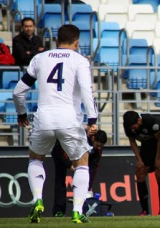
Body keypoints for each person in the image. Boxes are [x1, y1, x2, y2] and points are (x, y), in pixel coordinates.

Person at [12, 24, 98, 224]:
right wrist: (92, 120)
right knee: (81, 163)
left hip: (44, 119)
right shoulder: (79, 60)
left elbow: (17, 91)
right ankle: (77, 210)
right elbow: (87, 91)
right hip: (69, 119)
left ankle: (37, 199)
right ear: (76, 43)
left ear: (56, 40)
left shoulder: (40, 58)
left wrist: (22, 113)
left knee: (35, 159)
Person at [123, 111, 160, 216]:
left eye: (134, 126)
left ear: (139, 120)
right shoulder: (128, 126)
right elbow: (132, 142)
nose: (133, 129)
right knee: (140, 174)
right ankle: (145, 211)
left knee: (159, 174)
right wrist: (139, 160)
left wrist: (158, 160)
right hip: (147, 147)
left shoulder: (151, 121)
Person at [52, 130, 108, 217]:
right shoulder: (81, 138)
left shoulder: (97, 150)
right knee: (60, 180)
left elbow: (93, 170)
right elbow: (60, 150)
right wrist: (70, 165)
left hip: (79, 155)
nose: (99, 148)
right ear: (93, 139)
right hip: (61, 151)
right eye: (98, 145)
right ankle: (59, 211)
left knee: (83, 178)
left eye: (101, 146)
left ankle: (79, 209)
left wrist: (87, 188)